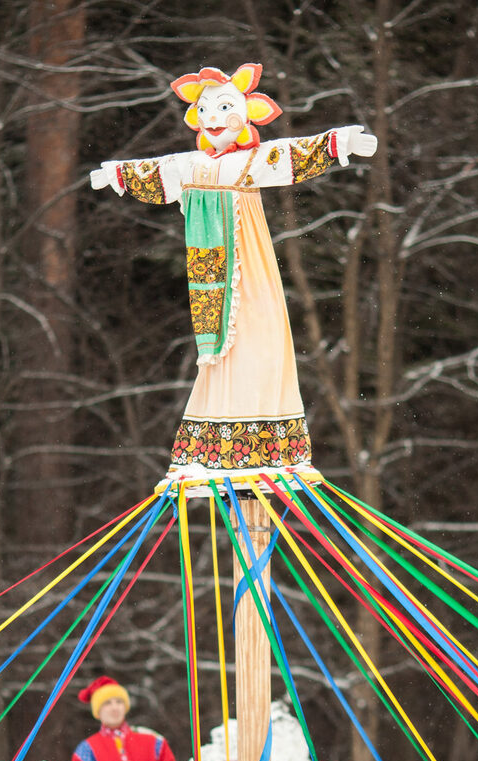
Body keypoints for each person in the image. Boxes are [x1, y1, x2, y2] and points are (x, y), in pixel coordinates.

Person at [88, 63, 379, 473]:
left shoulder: (250, 161)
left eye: (222, 107)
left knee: (257, 327)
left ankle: (261, 434)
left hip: (246, 261)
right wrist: (118, 174)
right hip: (208, 270)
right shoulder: (192, 166)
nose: (211, 119)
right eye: (203, 109)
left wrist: (337, 143)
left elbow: (291, 154)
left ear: (245, 115)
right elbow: (159, 170)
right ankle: (222, 434)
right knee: (223, 346)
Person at [70, 676, 176, 761]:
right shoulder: (86, 751)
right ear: (97, 711)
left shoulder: (155, 742)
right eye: (107, 703)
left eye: (119, 702)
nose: (115, 707)